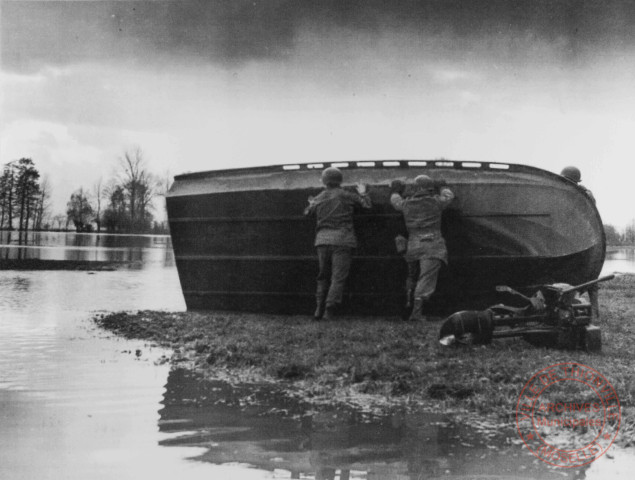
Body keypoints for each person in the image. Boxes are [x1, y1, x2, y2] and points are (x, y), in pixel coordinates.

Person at [304, 167, 372, 320]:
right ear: (339, 180)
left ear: (324, 181)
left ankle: (318, 308)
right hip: (343, 240)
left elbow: (307, 212)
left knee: (322, 276)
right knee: (338, 277)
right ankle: (329, 309)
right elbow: (367, 205)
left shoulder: (319, 197)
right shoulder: (346, 195)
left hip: (322, 241)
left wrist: (311, 203)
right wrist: (363, 192)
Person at [390, 175, 454, 321]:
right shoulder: (436, 202)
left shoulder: (406, 204)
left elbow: (395, 201)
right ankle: (416, 313)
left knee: (412, 277)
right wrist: (443, 186)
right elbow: (449, 196)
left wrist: (395, 190)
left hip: (413, 245)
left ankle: (407, 306)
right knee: (425, 279)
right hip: (432, 245)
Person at [560, 166, 600, 321]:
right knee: (586, 278)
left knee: (591, 278)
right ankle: (574, 308)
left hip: (583, 239)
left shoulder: (584, 193)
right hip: (577, 238)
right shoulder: (569, 192)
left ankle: (594, 312)